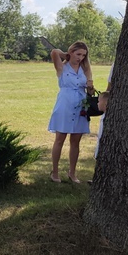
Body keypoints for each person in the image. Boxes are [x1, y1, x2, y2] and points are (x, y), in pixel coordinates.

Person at [48, 41, 94, 183]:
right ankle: (55, 172)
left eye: (83, 55)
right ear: (71, 52)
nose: (80, 57)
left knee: (76, 141)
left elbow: (90, 91)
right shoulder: (62, 67)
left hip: (81, 104)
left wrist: (90, 86)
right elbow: (54, 52)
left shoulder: (84, 69)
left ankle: (72, 172)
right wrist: (66, 55)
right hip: (65, 104)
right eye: (78, 54)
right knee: (60, 139)